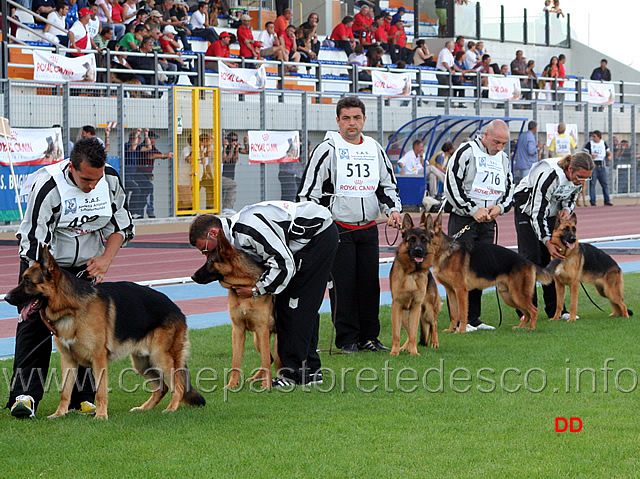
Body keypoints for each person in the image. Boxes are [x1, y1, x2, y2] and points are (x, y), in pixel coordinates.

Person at [6, 138, 135, 419]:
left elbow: (122, 227)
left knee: (88, 329)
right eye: (86, 179)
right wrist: (42, 295)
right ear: (72, 167)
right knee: (34, 324)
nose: (92, 185)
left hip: (85, 267)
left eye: (96, 179)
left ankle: (83, 398)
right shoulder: (49, 188)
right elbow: (33, 243)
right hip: (45, 265)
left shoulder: (109, 180)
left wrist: (105, 260)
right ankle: (25, 396)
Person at [189, 201, 338, 387]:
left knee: (295, 304)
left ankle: (295, 375)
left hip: (317, 237)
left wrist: (256, 289)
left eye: (205, 249)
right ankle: (311, 372)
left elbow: (284, 263)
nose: (206, 256)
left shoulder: (246, 231)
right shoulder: (237, 235)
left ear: (213, 233)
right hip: (311, 237)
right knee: (296, 304)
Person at [298, 96, 402, 353]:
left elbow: (386, 185)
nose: (351, 123)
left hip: (368, 228)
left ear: (364, 120)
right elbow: (308, 193)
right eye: (346, 118)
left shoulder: (374, 148)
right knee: (343, 285)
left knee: (370, 284)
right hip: (338, 228)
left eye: (356, 117)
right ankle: (346, 339)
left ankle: (369, 337)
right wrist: (321, 226)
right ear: (338, 121)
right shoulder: (327, 149)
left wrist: (394, 210)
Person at [442, 120, 515, 331]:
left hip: (488, 220)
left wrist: (500, 208)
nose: (499, 147)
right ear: (485, 135)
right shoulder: (466, 151)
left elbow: (509, 187)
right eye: (496, 142)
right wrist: (472, 209)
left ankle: (473, 318)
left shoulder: (502, 158)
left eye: (503, 143)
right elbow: (451, 185)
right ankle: (457, 321)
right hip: (464, 218)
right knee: (457, 270)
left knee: (480, 268)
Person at [512, 152, 594, 320]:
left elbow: (571, 197)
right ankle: (526, 310)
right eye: (579, 177)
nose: (581, 182)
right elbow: (537, 212)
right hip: (527, 207)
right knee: (531, 258)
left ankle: (556, 310)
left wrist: (566, 209)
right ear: (570, 168)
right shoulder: (549, 176)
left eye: (586, 179)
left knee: (550, 259)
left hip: (550, 209)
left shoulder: (579, 177)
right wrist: (546, 240)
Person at [131, 129, 174, 218]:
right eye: (153, 138)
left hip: (147, 174)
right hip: (139, 173)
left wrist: (166, 155)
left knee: (144, 192)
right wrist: (165, 155)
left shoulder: (153, 148)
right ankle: (149, 211)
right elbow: (151, 156)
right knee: (148, 188)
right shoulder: (143, 146)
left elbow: (159, 155)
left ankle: (139, 213)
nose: (155, 140)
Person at [584, 130, 613, 206]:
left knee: (605, 184)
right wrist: (590, 155)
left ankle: (607, 200)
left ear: (599, 137)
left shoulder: (603, 143)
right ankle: (593, 201)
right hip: (593, 166)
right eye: (592, 136)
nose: (593, 138)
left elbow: (608, 152)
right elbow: (584, 153)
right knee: (592, 184)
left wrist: (610, 156)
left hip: (602, 165)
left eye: (594, 136)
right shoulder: (590, 144)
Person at [221, 131, 246, 214]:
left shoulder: (235, 148)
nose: (234, 142)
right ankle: (226, 208)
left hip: (230, 176)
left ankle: (225, 209)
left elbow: (236, 159)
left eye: (236, 140)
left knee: (226, 193)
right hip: (222, 175)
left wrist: (245, 143)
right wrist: (231, 148)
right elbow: (227, 160)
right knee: (232, 186)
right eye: (232, 140)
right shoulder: (225, 148)